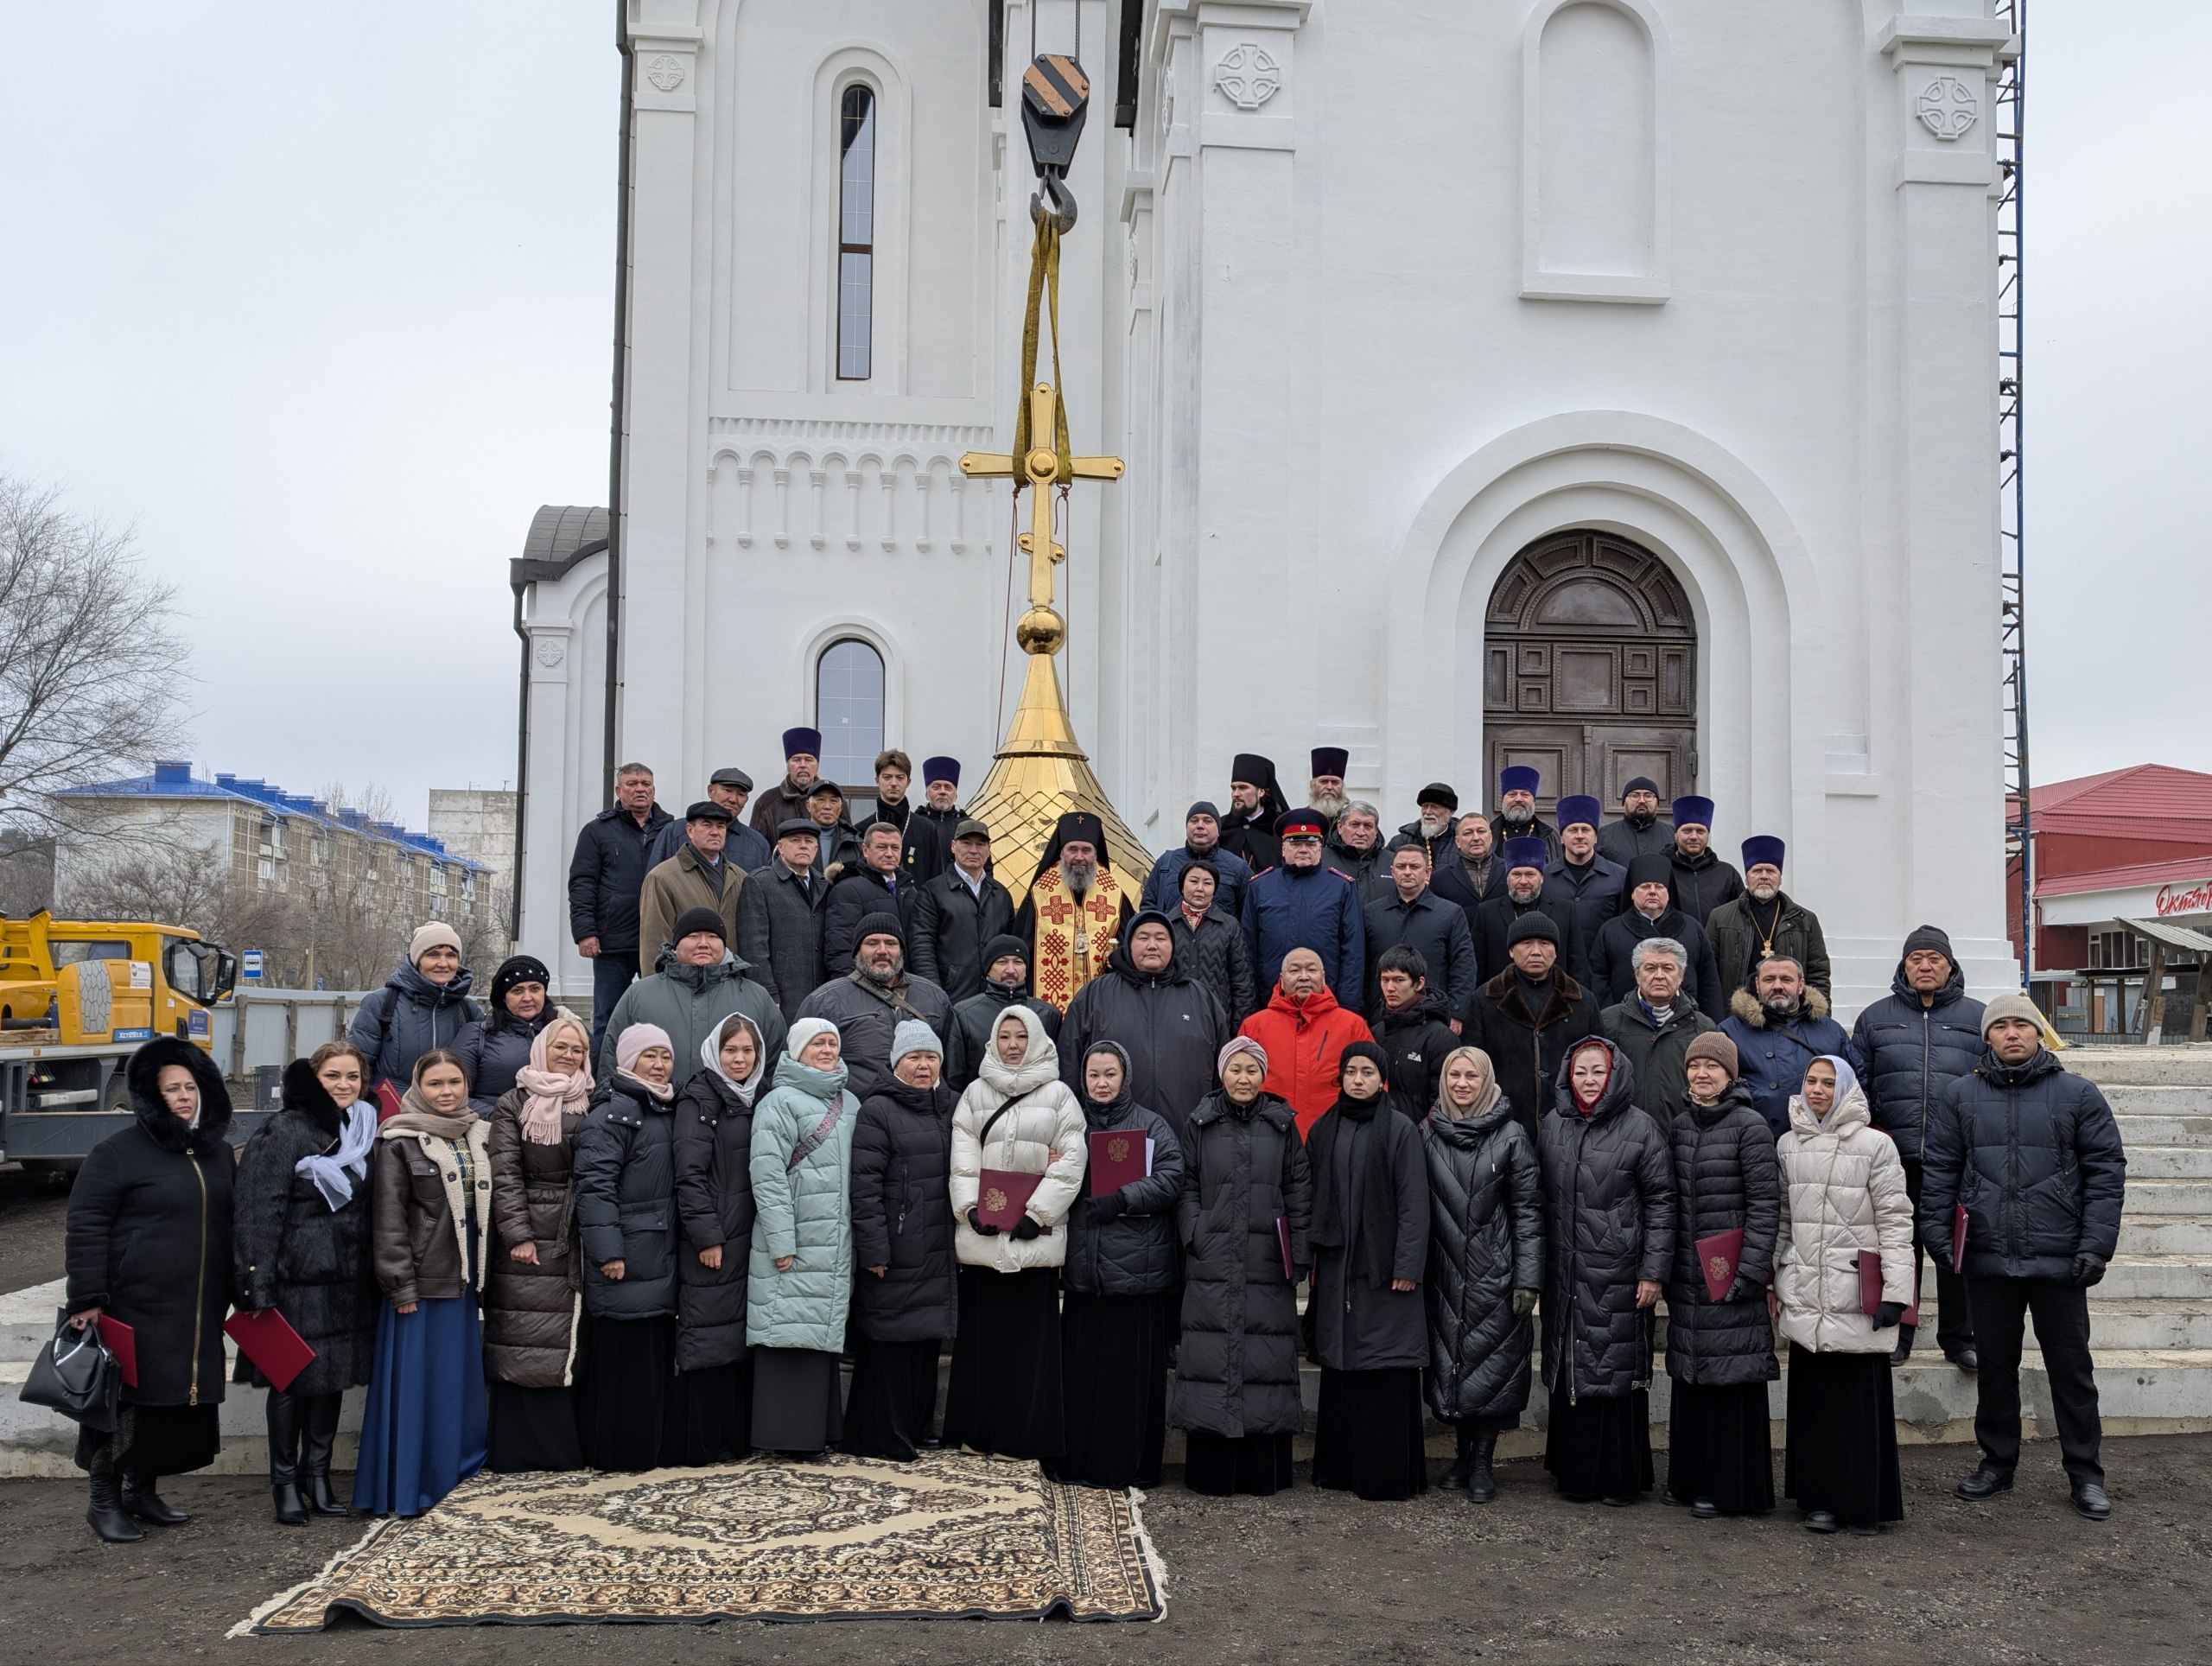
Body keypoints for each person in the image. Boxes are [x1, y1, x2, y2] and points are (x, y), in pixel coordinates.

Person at [1922, 994, 2126, 1522]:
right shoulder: (1960, 1096)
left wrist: (2095, 1245)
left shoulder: (2078, 1094)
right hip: (1988, 1259)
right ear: (1986, 1037)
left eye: (2022, 1025)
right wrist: (1938, 1237)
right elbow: (1941, 1171)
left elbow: (2106, 1173)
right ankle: (1997, 1464)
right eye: (2001, 1026)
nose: (2012, 1034)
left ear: (2039, 1032)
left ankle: (2085, 1474)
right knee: (1995, 1370)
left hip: (2059, 1261)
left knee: (2071, 1372)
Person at [64, 1038, 237, 1542]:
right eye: (171, 1089)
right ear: (149, 1096)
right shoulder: (117, 1153)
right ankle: (104, 1499)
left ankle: (142, 1489)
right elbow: (86, 1225)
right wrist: (87, 1298)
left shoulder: (218, 1153)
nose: (183, 1096)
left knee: (168, 1405)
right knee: (122, 1404)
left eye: (190, 1087)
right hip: (133, 1305)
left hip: (195, 1306)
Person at [232, 1042, 379, 1523]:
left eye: (353, 1076)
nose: (344, 1085)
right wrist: (256, 1284)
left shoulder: (362, 1129)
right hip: (296, 1281)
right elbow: (258, 1210)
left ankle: (318, 1476)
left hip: (345, 1282)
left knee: (332, 1380)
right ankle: (285, 1483)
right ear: (314, 1079)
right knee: (291, 1382)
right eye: (333, 1076)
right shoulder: (284, 1130)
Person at [944, 1004, 1087, 1459]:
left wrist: (1038, 1214)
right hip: (983, 1240)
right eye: (1004, 1036)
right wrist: (969, 1209)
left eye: (1021, 1036)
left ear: (1037, 1041)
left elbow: (1071, 1162)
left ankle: (1020, 1438)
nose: (1012, 1045)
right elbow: (963, 1158)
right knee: (983, 1343)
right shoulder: (975, 1093)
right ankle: (978, 1433)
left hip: (1034, 1241)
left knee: (1028, 1346)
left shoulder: (1060, 1096)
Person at [1774, 1055, 1910, 1535]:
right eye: (1810, 1081)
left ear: (1847, 1089)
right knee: (1815, 1404)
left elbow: (1895, 1219)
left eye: (1828, 1083)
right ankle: (1819, 1500)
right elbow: (1784, 1219)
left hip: (1855, 1292)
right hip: (1807, 1291)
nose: (1817, 1090)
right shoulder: (1788, 1144)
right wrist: (1775, 1277)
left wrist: (1897, 1292)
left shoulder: (1875, 1145)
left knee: (1857, 1405)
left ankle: (1863, 1504)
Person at [1172, 1037, 1313, 1496]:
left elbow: (1299, 1189)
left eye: (1253, 1070)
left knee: (1264, 1357)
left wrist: (1298, 1251)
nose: (1244, 1078)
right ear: (1222, 1073)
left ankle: (1260, 1472)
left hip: (1267, 1259)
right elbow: (1186, 1183)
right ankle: (1213, 1472)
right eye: (1236, 1069)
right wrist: (1195, 1230)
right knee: (1211, 1355)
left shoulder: (1282, 1124)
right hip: (1212, 1256)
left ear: (1264, 1076)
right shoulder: (1200, 1121)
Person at [1537, 1037, 1674, 1505]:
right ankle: (1573, 1474)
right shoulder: (1553, 1124)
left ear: (1615, 1074)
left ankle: (1618, 1478)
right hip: (1566, 1270)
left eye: (1598, 1071)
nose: (1589, 1080)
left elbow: (1662, 1204)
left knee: (1614, 1370)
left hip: (1620, 1270)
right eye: (1580, 1072)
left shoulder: (1642, 1128)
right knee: (1572, 1366)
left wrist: (1653, 1272)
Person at [357, 1049, 491, 1515]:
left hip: (464, 1279)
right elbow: (389, 1220)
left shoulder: (479, 1133)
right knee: (418, 1386)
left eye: (454, 1082)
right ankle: (413, 1482)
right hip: (421, 1283)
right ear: (418, 1088)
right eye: (436, 1084)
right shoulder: (399, 1141)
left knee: (455, 1383)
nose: (447, 1092)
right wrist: (401, 1286)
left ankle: (458, 1473)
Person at [1050, 1040, 1187, 1490]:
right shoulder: (1070, 1123)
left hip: (1136, 1272)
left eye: (1110, 1074)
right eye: (1094, 1075)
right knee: (1082, 1375)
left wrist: (1124, 1198)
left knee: (1127, 1379)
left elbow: (1172, 1178)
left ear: (1125, 1077)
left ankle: (1128, 1466)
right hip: (1085, 1270)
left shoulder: (1151, 1125)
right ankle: (1076, 1461)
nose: (1102, 1083)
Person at [1852, 924, 1986, 1370]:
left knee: (1953, 1248)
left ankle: (1959, 1338)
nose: (1925, 966)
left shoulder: (1978, 1018)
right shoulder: (1875, 1018)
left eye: (1934, 959)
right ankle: (1899, 1332)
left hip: (1955, 1158)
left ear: (1950, 966)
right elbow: (1859, 1085)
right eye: (1916, 959)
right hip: (1895, 1156)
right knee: (1899, 1247)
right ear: (1904, 966)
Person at [1662, 1031, 1780, 1518]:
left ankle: (1730, 1487)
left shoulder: (1750, 1126)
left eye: (1712, 1066)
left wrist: (1750, 1272)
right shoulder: (1680, 1126)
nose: (1702, 1074)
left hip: (1733, 1278)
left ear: (1730, 1074)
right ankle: (1690, 1478)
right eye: (1695, 1066)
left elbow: (1765, 1204)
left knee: (1731, 1378)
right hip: (1689, 1279)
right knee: (1692, 1377)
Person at [1307, 1041, 1432, 1501]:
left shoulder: (1400, 1129)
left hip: (1384, 1269)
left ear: (1383, 1081)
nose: (1358, 1080)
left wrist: (1407, 1264)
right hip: (1338, 1264)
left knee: (1385, 1365)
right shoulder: (1324, 1128)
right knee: (1342, 1364)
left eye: (1367, 1073)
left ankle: (1386, 1475)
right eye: (1351, 1072)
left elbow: (1414, 1202)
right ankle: (1341, 1470)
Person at [1421, 1046, 1541, 1504]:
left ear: (1487, 1080)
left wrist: (1527, 1278)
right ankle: (1462, 1454)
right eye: (1455, 1075)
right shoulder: (1427, 1132)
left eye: (1472, 1076)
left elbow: (1528, 1211)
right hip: (1443, 1271)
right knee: (1452, 1364)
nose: (1462, 1084)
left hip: (1496, 1273)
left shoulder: (1511, 1136)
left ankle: (1482, 1462)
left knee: (1492, 1367)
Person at [482, 1012, 593, 1474]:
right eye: (560, 1046)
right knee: (524, 1334)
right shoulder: (514, 1102)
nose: (569, 1055)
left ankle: (565, 1447)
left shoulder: (593, 1099)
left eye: (577, 1049)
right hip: (531, 1232)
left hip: (578, 1229)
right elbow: (505, 1173)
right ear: (541, 1049)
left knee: (567, 1339)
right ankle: (520, 1449)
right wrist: (519, 1235)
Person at [845, 1020, 959, 1460]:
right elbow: (864, 1186)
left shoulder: (950, 1106)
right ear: (896, 1063)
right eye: (914, 1058)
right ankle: (881, 1433)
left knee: (925, 1340)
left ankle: (917, 1426)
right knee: (889, 1338)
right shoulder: (878, 1109)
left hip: (939, 1245)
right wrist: (873, 1248)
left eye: (931, 1057)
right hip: (896, 1246)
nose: (923, 1066)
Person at [746, 1017, 859, 1458]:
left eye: (832, 1042)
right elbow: (768, 1174)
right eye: (817, 1043)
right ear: (797, 1050)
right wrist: (781, 1240)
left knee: (819, 1330)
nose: (827, 1050)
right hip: (795, 1238)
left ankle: (817, 1430)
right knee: (787, 1328)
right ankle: (786, 1435)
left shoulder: (849, 1102)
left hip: (834, 1239)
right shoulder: (778, 1102)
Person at [574, 1025, 681, 1471]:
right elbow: (594, 1186)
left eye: (665, 1056)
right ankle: (618, 1452)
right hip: (628, 1255)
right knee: (623, 1354)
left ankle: (649, 1448)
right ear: (628, 1060)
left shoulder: (665, 1107)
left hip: (660, 1252)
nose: (659, 1065)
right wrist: (609, 1251)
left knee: (652, 1353)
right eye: (649, 1056)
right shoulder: (613, 1114)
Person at [670, 1013, 766, 1465]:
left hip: (750, 1235)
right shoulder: (700, 1098)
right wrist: (707, 1236)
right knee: (706, 1334)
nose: (739, 1059)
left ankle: (735, 1437)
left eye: (747, 1050)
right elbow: (689, 1175)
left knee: (737, 1334)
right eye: (731, 1050)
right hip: (713, 1238)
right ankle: (701, 1441)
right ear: (715, 1052)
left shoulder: (759, 1096)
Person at [1057, 910, 1228, 1140]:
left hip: (1191, 1136)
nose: (1152, 945)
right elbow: (1070, 1067)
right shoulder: (1095, 996)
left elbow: (1222, 1072)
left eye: (1161, 938)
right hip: (1113, 1138)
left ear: (1172, 945)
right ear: (1128, 944)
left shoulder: (1201, 999)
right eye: (1143, 937)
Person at [601, 907, 787, 1085]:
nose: (703, 943)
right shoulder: (638, 995)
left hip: (734, 1107)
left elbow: (776, 1061)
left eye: (713, 936)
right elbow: (611, 1058)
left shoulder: (756, 997)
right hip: (654, 1106)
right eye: (693, 936)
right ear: (676, 946)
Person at [1462, 913, 1601, 1141]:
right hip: (1504, 1125)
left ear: (1556, 951)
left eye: (1545, 943)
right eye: (1526, 943)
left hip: (1570, 1124)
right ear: (1511, 950)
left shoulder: (1582, 1001)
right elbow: (1473, 1065)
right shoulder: (1485, 1000)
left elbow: (1600, 1064)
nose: (1536, 951)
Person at [569, 763, 674, 1053]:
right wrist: (585, 932)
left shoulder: (672, 830)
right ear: (618, 790)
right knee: (609, 1017)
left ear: (654, 790)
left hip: (660, 942)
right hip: (612, 942)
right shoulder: (597, 831)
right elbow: (582, 884)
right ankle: (606, 1075)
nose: (640, 789)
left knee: (663, 1015)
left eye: (646, 784)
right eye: (632, 784)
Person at [796, 912, 953, 1103]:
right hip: (857, 1113)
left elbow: (953, 1068)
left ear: (902, 951)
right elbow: (800, 1069)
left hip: (924, 1112)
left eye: (891, 943)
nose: (882, 951)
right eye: (872, 943)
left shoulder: (935, 997)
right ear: (857, 951)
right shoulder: (824, 1001)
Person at [1238, 946, 1375, 1139]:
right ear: (1281, 980)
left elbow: (1374, 1081)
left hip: (1336, 1134)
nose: (1304, 977)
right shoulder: (1254, 1026)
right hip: (1269, 1135)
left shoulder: (1353, 1025)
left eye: (1311, 970)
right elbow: (1236, 1084)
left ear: (1323, 978)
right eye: (1294, 970)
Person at [1722, 955, 1860, 1139]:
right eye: (1769, 979)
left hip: (1818, 1142)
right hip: (1752, 1140)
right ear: (1757, 984)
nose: (1777, 986)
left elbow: (1856, 1085)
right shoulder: (1730, 1032)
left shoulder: (1831, 1031)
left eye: (1786, 979)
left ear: (1801, 985)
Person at [1014, 811, 1137, 1013]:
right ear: (1061, 852)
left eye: (1086, 850)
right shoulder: (1040, 893)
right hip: (1049, 1009)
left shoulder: (1113, 894)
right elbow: (1022, 948)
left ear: (1095, 854)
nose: (1079, 857)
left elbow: (1131, 946)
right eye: (1072, 849)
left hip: (1103, 1005)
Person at [349, 922, 483, 1097]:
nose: (443, 963)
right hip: (393, 1109)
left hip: (448, 1109)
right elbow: (356, 1066)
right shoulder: (382, 1003)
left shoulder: (468, 1010)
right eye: (433, 955)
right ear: (417, 959)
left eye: (451, 956)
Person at [1243, 808, 1364, 999]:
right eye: (1295, 844)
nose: (1303, 850)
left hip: (1325, 999)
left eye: (1310, 844)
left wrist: (1348, 1004)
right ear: (1283, 849)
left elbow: (1353, 951)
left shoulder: (1341, 887)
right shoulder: (1260, 886)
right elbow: (1247, 950)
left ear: (1320, 849)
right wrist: (1251, 1004)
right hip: (1272, 998)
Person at [1599, 938, 1717, 1126]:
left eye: (1668, 968)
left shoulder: (1703, 1027)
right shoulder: (1608, 1022)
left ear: (1681, 975)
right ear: (1637, 974)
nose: (1659, 976)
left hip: (1683, 1134)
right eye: (1650, 968)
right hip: (1623, 1134)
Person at [1589, 855, 1725, 1019]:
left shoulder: (1692, 928)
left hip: (1685, 1022)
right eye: (1645, 886)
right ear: (1632, 893)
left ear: (1669, 893)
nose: (1652, 891)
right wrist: (1611, 1019)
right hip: (1625, 1022)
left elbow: (1709, 982)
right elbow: (1599, 982)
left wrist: (1710, 1023)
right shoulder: (1610, 930)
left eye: (1659, 886)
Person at [1705, 836, 1831, 998]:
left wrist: (1818, 1011)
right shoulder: (1720, 917)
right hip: (1738, 1008)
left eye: (1771, 871)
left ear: (1780, 879)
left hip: (1789, 1007)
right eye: (1757, 871)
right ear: (1746, 878)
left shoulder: (1805, 920)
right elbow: (1709, 973)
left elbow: (1818, 973)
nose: (1764, 876)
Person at [1363, 843, 1476, 1020]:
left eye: (1415, 866)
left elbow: (1464, 966)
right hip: (1382, 1014)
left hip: (1432, 1014)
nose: (1407, 872)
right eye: (1401, 866)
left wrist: (1456, 1012)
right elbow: (1362, 966)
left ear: (1428, 872)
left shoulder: (1450, 913)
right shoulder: (1372, 913)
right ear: (1393, 871)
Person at [909, 817, 1016, 1002]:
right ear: (953, 846)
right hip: (951, 999)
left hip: (995, 998)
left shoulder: (1001, 895)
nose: (973, 850)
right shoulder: (933, 892)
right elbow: (922, 948)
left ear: (989, 850)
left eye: (980, 844)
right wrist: (935, 995)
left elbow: (1011, 947)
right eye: (966, 843)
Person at [734, 818, 829, 1023]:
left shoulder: (825, 885)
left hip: (821, 994)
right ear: (780, 847)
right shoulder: (759, 882)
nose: (803, 845)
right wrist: (768, 992)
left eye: (808, 841)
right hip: (782, 996)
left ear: (816, 849)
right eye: (795, 840)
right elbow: (753, 947)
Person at [944, 935, 1063, 1093]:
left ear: (1026, 969)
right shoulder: (964, 1014)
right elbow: (954, 1080)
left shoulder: (1048, 1015)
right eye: (1002, 962)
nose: (1011, 970)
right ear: (988, 968)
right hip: (981, 1105)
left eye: (1018, 962)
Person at [638, 799, 747, 963]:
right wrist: (658, 979)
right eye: (707, 825)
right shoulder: (662, 878)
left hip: (729, 976)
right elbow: (654, 943)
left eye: (721, 826)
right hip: (684, 976)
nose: (715, 832)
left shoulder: (741, 877)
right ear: (690, 830)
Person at [1472, 838, 1587, 985]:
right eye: (1516, 874)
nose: (1523, 881)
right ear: (1507, 878)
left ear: (1542, 878)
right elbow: (1477, 965)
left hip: (1554, 995)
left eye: (1530, 874)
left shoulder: (1566, 910)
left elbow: (1578, 964)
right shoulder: (1487, 912)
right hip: (1502, 995)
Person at [454, 953, 556, 1116]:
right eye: (517, 991)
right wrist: (504, 1119)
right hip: (493, 1125)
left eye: (535, 989)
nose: (527, 998)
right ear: (503, 998)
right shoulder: (476, 1035)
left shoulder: (569, 1032)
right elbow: (455, 1095)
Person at [1370, 945, 1461, 1116]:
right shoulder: (1375, 1033)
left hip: (1422, 1129)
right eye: (1384, 980)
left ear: (1419, 983)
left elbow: (1445, 1102)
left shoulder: (1441, 1038)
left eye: (1399, 980)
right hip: (1379, 1127)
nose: (1390, 988)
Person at [1169, 858, 1259, 1027]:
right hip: (1173, 1018)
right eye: (1193, 881)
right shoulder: (1166, 925)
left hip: (1217, 1021)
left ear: (1215, 889)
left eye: (1207, 883)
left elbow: (1242, 981)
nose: (1200, 888)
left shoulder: (1230, 926)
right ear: (1182, 886)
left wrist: (1238, 1029)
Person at [823, 820, 917, 972]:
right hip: (866, 983)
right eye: (881, 847)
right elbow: (841, 951)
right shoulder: (847, 890)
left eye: (895, 848)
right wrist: (852, 986)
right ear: (865, 850)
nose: (889, 854)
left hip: (905, 982)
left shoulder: (910, 891)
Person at [1141, 800, 1257, 919]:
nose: (1200, 826)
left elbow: (1251, 917)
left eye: (1207, 821)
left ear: (1218, 830)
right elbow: (1148, 909)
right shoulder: (1166, 863)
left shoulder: (1238, 868)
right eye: (1194, 820)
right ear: (1186, 828)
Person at [648, 766, 772, 874]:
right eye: (727, 791)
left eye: (741, 794)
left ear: (747, 800)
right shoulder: (675, 832)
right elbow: (654, 881)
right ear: (710, 791)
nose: (733, 799)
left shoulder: (757, 845)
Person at [1543, 796, 1628, 950]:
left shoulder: (1619, 876)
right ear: (1561, 838)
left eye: (1586, 830)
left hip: (1602, 961)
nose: (1580, 836)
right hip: (1558, 961)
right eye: (1573, 830)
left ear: (1595, 838)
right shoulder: (1545, 878)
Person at [1666, 796, 1743, 927]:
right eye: (1687, 831)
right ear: (1676, 835)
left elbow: (1741, 914)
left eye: (1700, 831)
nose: (1694, 837)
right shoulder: (1663, 869)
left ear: (1708, 835)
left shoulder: (1727, 873)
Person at [898, 756, 966, 886]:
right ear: (927, 794)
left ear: (956, 795)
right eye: (936, 787)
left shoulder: (966, 826)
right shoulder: (912, 824)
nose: (942, 792)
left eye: (948, 788)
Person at [748, 727, 823, 840]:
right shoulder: (766, 802)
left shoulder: (834, 800)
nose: (803, 765)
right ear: (787, 765)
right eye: (796, 760)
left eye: (809, 760)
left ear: (817, 765)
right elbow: (755, 846)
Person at [1218, 753, 1287, 874]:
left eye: (1243, 788)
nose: (1236, 794)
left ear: (1261, 792)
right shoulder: (1221, 826)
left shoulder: (1279, 828)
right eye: (1233, 788)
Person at [1430, 811, 1503, 924]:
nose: (1476, 838)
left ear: (1491, 837)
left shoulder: (1510, 872)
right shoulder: (1440, 878)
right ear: (1458, 841)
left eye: (1481, 831)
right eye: (1468, 833)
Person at [1597, 777, 1674, 868]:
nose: (1642, 800)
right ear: (1624, 802)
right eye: (1634, 795)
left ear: (1657, 802)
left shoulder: (1672, 834)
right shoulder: (1604, 834)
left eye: (1648, 796)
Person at [1326, 801, 1391, 907]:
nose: (1361, 833)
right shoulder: (1321, 861)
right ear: (1340, 827)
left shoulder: (1394, 863)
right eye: (1354, 825)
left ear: (1376, 831)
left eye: (1368, 826)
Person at [1491, 767, 1561, 864]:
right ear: (1503, 800)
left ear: (1533, 800)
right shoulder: (1489, 833)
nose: (1518, 799)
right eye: (1512, 794)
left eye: (1525, 795)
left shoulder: (1553, 834)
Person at [1390, 782, 1461, 870]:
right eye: (1425, 806)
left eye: (1435, 807)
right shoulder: (1401, 841)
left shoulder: (1462, 839)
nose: (1427, 812)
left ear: (1450, 812)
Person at [804, 778, 865, 878]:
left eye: (833, 801)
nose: (827, 806)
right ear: (808, 806)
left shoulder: (855, 843)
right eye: (821, 800)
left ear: (840, 808)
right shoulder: (793, 839)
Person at [853, 747, 914, 839]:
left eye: (900, 778)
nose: (894, 783)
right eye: (887, 777)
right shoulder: (860, 831)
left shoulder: (927, 829)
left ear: (908, 782)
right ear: (877, 781)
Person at [1307, 745, 1351, 819]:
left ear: (1342, 787)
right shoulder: (1302, 819)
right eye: (1324, 781)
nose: (1329, 787)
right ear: (1312, 786)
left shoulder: (1352, 819)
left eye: (1335, 782)